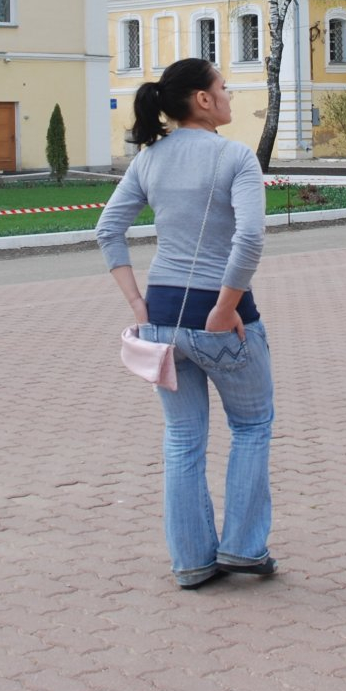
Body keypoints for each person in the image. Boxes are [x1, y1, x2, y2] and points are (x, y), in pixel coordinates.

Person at [96, 58, 275, 590]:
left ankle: (193, 561)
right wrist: (225, 309)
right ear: (201, 99)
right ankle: (243, 548)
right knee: (251, 426)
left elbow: (108, 231)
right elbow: (249, 239)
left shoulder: (149, 160)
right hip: (222, 318)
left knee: (182, 439)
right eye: (223, 87)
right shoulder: (235, 156)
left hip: (162, 315)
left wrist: (137, 304)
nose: (229, 95)